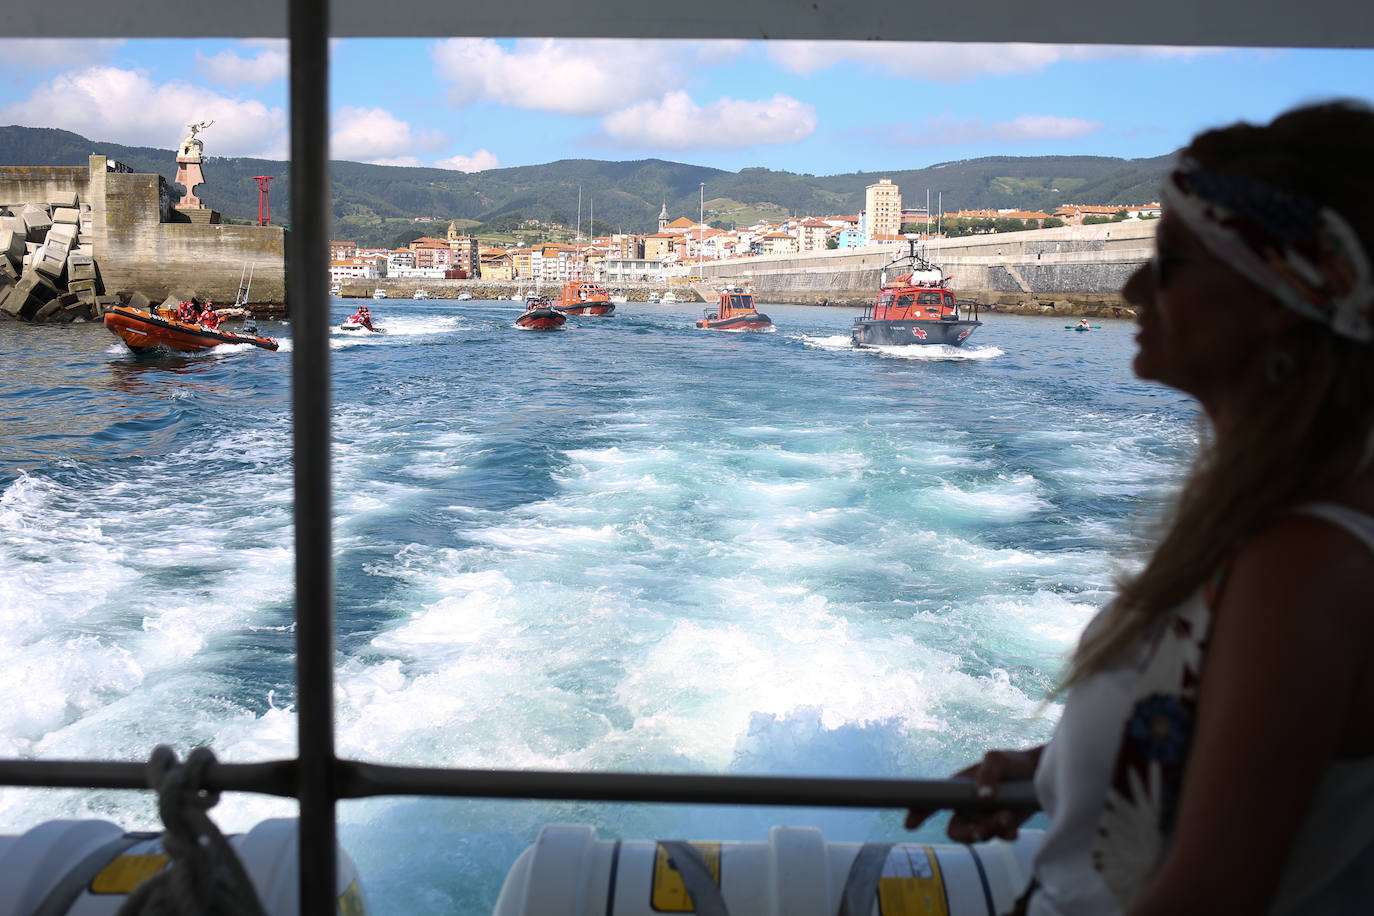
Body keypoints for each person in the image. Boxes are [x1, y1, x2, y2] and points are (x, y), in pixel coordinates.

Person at [907, 100, 1374, 915]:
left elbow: (1211, 895)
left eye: (1170, 262)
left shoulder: (1298, 566)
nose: (1129, 288)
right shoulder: (1279, 527)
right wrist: (1054, 768)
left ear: (1278, 297)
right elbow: (1225, 743)